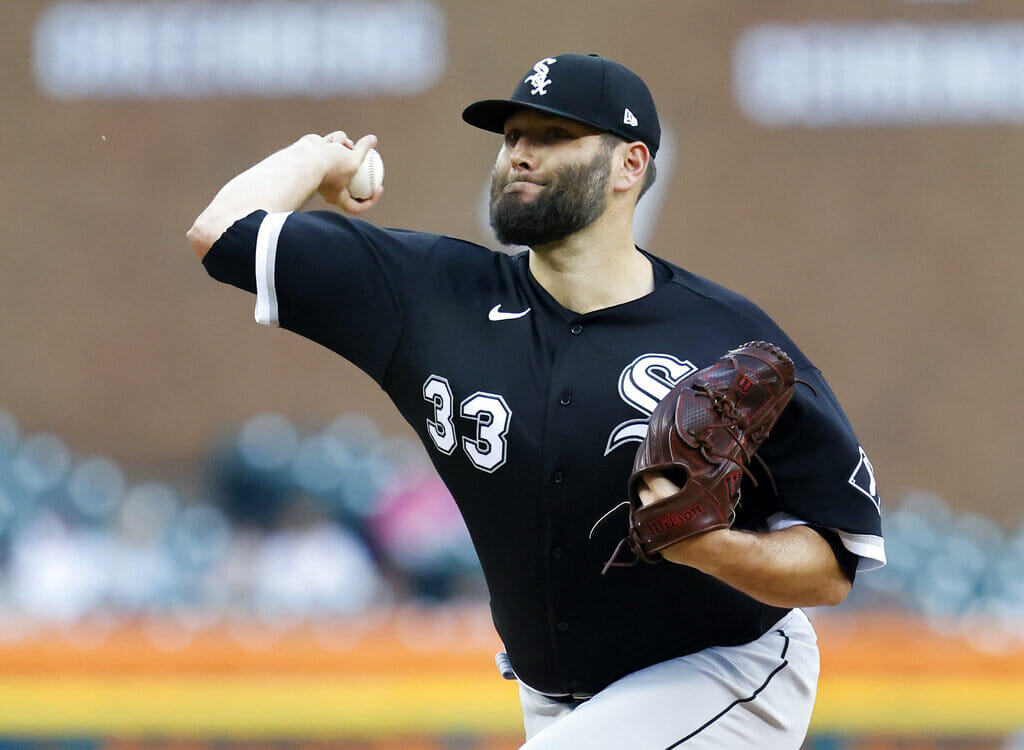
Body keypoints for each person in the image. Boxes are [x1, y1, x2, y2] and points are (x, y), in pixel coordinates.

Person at [188, 53, 886, 749]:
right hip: (557, 702)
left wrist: (713, 550)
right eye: (512, 136)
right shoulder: (432, 296)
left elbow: (831, 566)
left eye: (554, 136)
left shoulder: (726, 338)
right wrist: (319, 157)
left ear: (630, 164)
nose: (521, 154)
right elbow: (221, 234)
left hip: (729, 674)